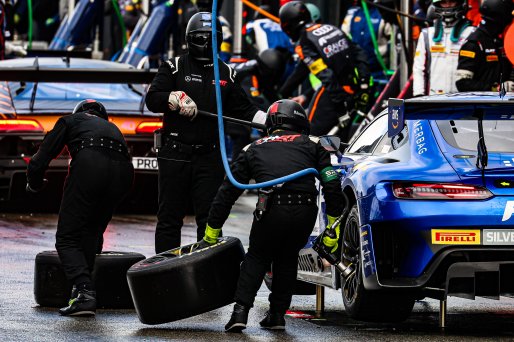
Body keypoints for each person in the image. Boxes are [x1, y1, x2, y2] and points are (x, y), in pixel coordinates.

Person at [198, 99, 345, 332]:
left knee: (257, 256)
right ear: (300, 121)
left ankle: (240, 313)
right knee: (287, 258)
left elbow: (226, 194)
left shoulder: (252, 148)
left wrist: (211, 233)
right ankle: (277, 315)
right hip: (305, 211)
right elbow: (332, 186)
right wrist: (332, 232)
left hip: (271, 210)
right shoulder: (315, 144)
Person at [145, 12, 266, 253]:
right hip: (174, 154)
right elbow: (152, 99)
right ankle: (162, 274)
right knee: (169, 218)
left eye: (211, 39)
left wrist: (271, 119)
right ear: (189, 40)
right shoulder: (173, 66)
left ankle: (207, 274)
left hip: (209, 157)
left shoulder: (227, 73)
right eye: (200, 38)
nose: (206, 44)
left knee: (211, 220)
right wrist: (174, 97)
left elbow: (245, 110)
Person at [26, 99, 134, 316]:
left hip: (90, 165)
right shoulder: (113, 128)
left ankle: (84, 292)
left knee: (67, 238)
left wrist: (34, 184)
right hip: (124, 174)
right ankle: (84, 292)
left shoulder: (70, 121)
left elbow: (41, 158)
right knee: (92, 232)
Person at [279, 1, 373, 141]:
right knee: (341, 141)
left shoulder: (305, 42)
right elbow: (360, 54)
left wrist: (341, 109)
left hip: (333, 96)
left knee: (307, 136)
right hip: (353, 90)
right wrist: (364, 85)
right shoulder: (332, 28)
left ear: (290, 26)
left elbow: (327, 77)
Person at [412, 0, 474, 96]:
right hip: (434, 99)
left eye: (451, 2)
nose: (448, 6)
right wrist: (419, 95)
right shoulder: (427, 34)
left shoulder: (472, 33)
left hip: (464, 99)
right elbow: (419, 69)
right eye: (443, 2)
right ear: (437, 4)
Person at [455, 0, 514, 92]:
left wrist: (510, 82)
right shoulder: (473, 44)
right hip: (481, 103)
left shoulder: (499, 42)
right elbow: (462, 83)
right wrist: (495, 88)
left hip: (502, 103)